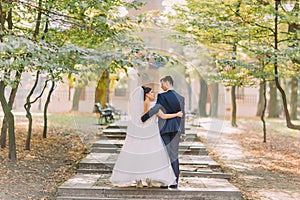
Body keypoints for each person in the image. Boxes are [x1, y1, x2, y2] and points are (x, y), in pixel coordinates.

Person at [110, 85, 182, 188]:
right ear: (147, 95)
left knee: (137, 155)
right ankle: (149, 179)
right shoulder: (154, 106)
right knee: (151, 157)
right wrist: (177, 114)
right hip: (152, 135)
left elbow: (139, 120)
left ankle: (138, 180)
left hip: (139, 135)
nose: (154, 94)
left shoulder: (136, 106)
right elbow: (164, 116)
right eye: (152, 92)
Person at [141, 76, 185, 189]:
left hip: (164, 128)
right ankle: (175, 182)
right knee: (174, 155)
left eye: (162, 84)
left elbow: (156, 108)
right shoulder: (181, 97)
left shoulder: (162, 96)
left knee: (164, 155)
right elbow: (182, 116)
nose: (161, 86)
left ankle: (165, 182)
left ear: (167, 82)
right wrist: (183, 132)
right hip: (176, 129)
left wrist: (144, 117)